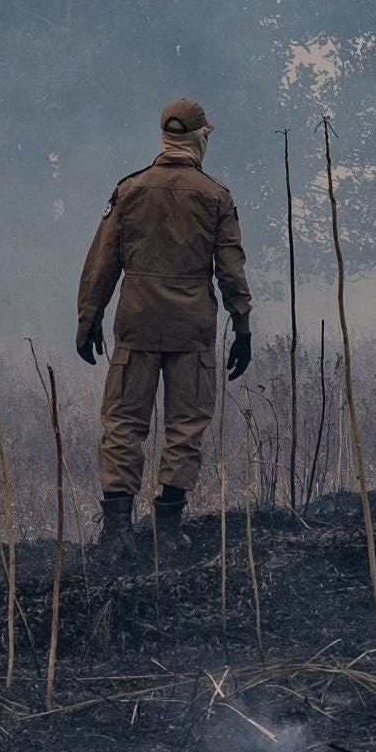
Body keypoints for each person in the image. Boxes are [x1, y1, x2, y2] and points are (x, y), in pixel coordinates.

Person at [75, 97, 253, 567]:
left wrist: (88, 317)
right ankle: (168, 530)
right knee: (185, 425)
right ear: (199, 137)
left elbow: (101, 262)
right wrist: (243, 325)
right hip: (191, 328)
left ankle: (116, 532)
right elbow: (231, 270)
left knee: (123, 423)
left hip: (136, 323)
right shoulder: (216, 196)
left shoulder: (129, 190)